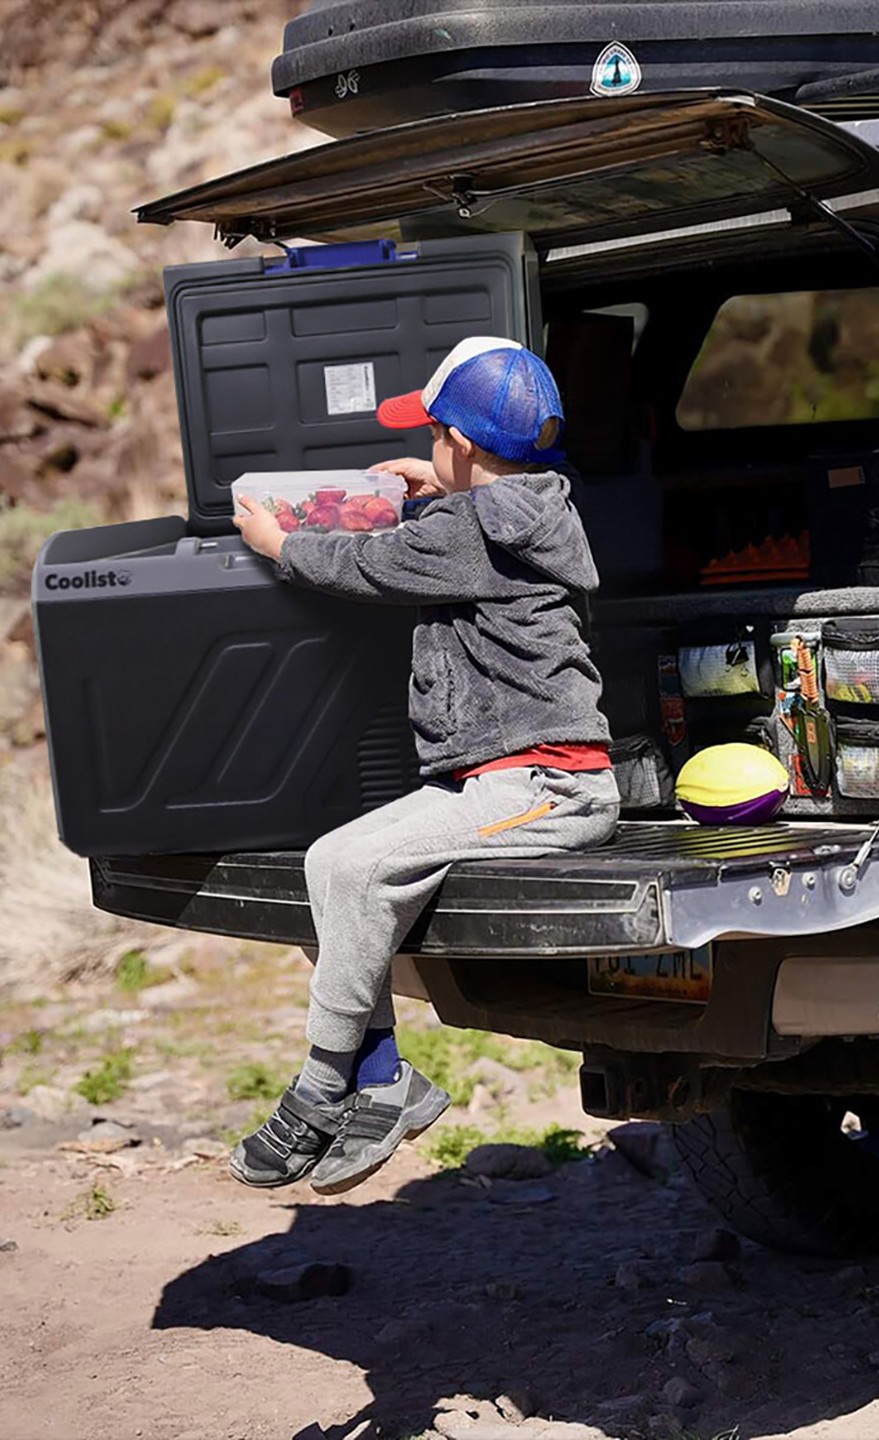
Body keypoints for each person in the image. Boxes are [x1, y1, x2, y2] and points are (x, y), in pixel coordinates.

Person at [229, 336, 619, 1195]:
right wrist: (448, 486)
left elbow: (367, 564)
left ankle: (322, 1086)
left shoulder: (470, 529)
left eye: (436, 434)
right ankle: (382, 1082)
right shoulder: (526, 505)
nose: (430, 445)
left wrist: (279, 545)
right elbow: (475, 523)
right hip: (501, 779)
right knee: (329, 860)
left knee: (363, 870)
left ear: (463, 443)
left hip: (553, 788)